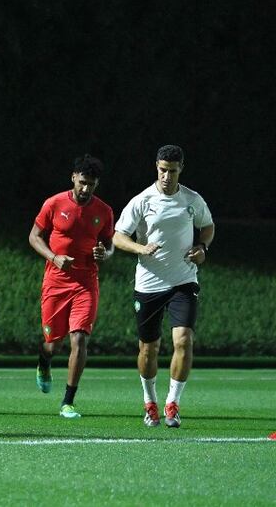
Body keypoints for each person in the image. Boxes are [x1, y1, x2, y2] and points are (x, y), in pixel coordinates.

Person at [113, 145, 214, 428]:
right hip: (149, 283)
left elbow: (207, 226)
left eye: (172, 170)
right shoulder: (143, 200)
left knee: (183, 341)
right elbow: (118, 236)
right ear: (156, 167)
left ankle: (173, 404)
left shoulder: (192, 199)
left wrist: (202, 247)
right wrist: (140, 248)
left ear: (181, 168)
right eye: (162, 170)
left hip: (183, 280)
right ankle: (150, 403)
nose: (167, 176)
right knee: (149, 348)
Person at [27, 155, 114, 419]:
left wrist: (105, 254)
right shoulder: (54, 204)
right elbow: (33, 236)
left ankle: (68, 402)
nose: (86, 189)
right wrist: (54, 257)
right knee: (53, 344)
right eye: (83, 182)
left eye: (92, 184)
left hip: (86, 283)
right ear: (73, 177)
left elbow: (109, 244)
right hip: (55, 282)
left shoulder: (104, 211)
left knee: (79, 338)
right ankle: (44, 361)